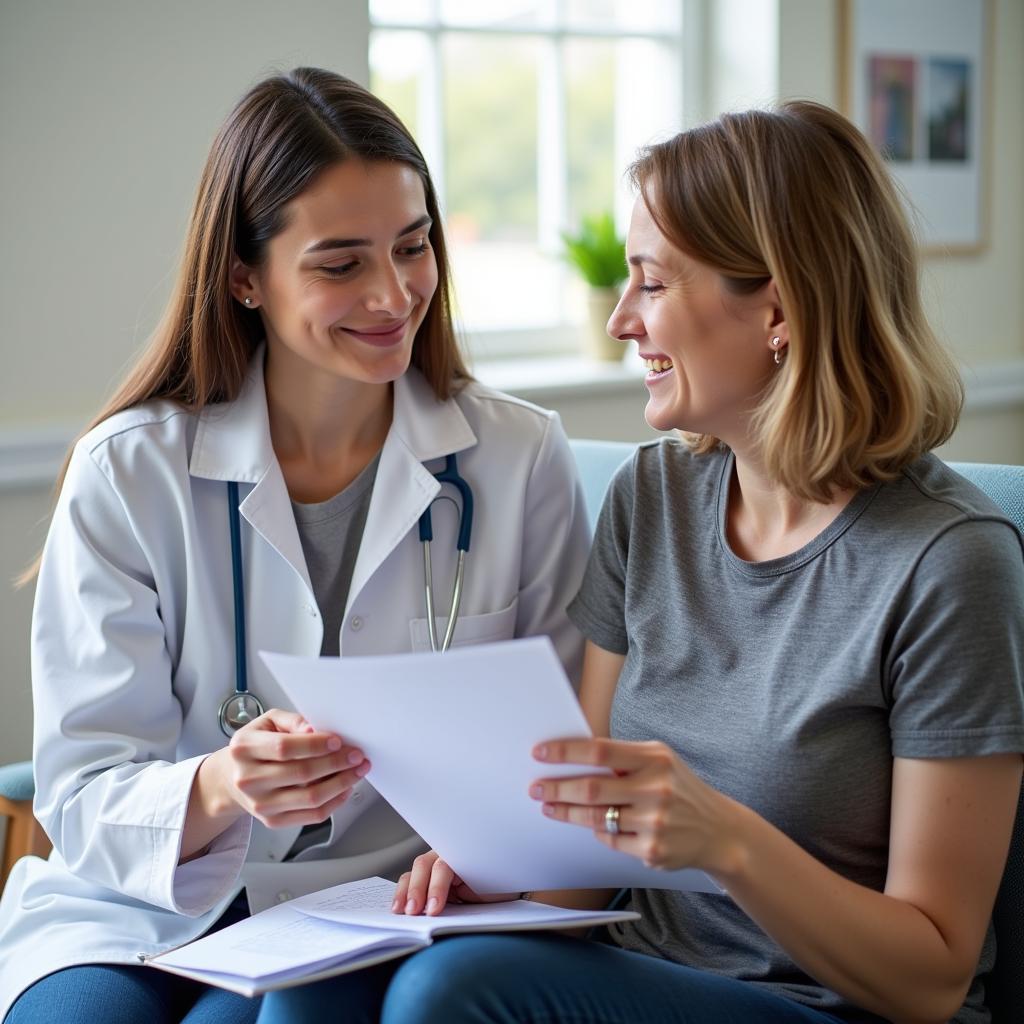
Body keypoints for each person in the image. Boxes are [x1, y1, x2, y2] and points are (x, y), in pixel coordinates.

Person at [258, 100, 1024, 1024]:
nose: (621, 319)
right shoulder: (651, 498)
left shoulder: (949, 563)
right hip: (633, 975)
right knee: (318, 992)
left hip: (828, 1009)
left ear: (778, 307)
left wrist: (728, 841)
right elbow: (581, 850)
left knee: (450, 992)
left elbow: (934, 976)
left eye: (652, 285)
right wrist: (496, 880)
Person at [0, 67, 590, 1024]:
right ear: (244, 276)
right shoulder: (129, 471)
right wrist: (224, 783)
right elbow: (80, 785)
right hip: (139, 906)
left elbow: (557, 749)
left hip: (381, 905)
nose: (395, 294)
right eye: (340, 263)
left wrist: (493, 853)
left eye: (413, 246)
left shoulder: (518, 460)